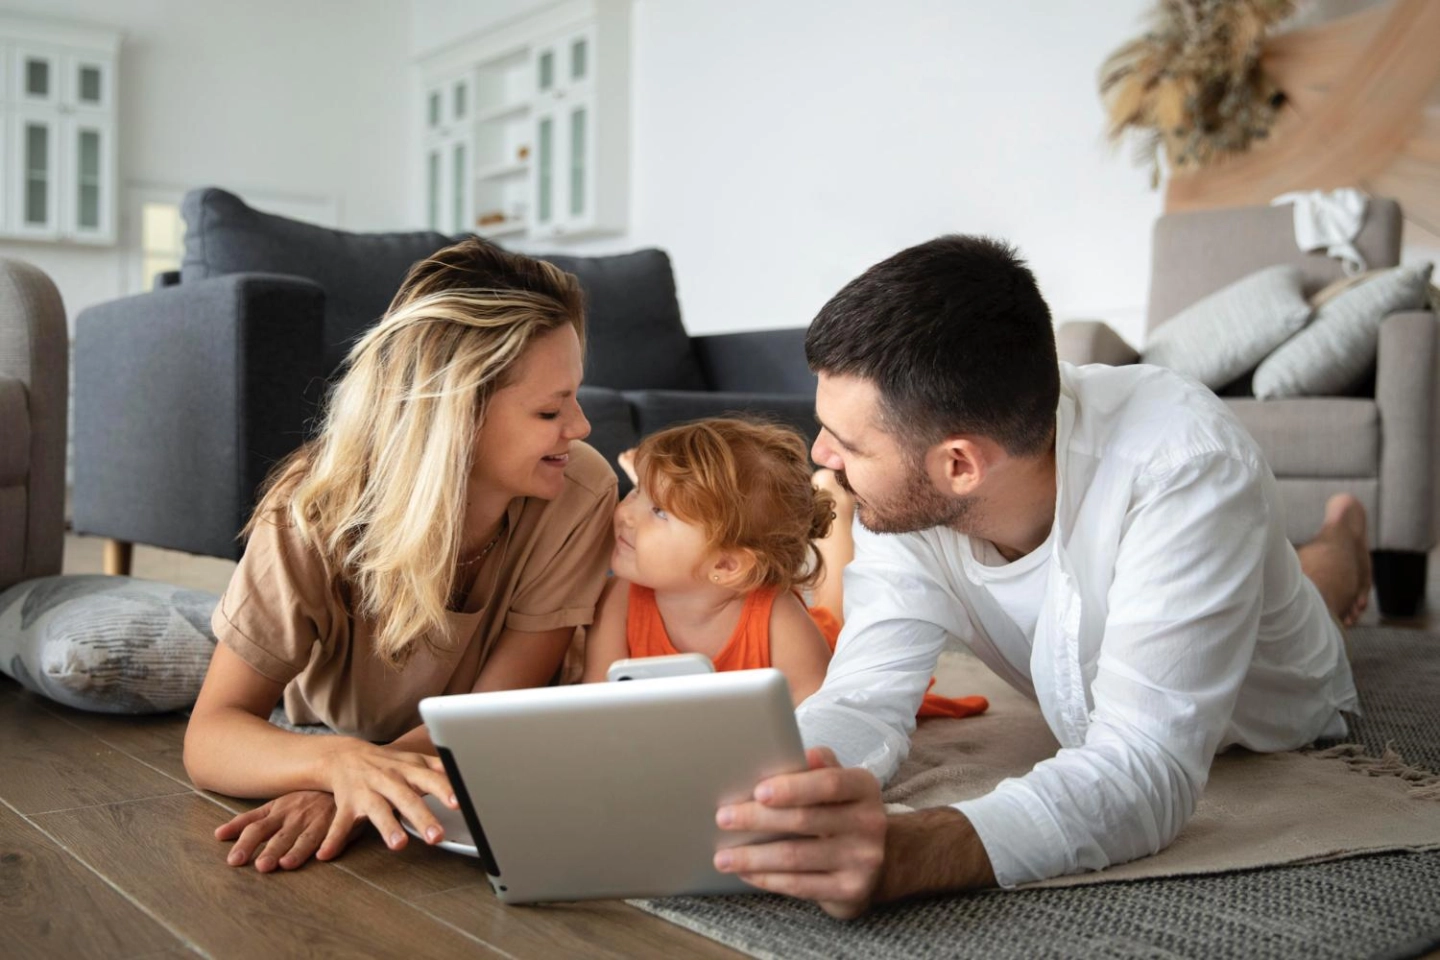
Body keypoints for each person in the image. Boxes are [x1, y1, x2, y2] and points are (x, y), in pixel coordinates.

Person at [710, 235, 1367, 919]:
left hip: (1273, 710)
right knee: (1288, 569)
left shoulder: (1183, 467)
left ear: (959, 465)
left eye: (846, 444)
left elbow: (1146, 765)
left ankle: (1346, 533)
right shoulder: (908, 498)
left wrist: (911, 851)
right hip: (1191, 565)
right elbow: (864, 696)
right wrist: (780, 787)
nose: (822, 457)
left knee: (1315, 587)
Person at [183, 238, 617, 874]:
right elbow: (211, 735)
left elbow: (486, 719)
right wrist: (335, 765)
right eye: (550, 409)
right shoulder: (312, 515)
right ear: (455, 415)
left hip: (475, 735)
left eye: (574, 397)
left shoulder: (579, 491)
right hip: (334, 722)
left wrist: (365, 786)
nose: (579, 427)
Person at [587, 418, 987, 718]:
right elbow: (593, 697)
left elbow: (816, 707)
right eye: (636, 491)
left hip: (823, 639)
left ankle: (834, 502)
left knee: (835, 608)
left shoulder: (777, 616)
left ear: (725, 564)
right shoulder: (620, 597)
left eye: (658, 511)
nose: (625, 514)